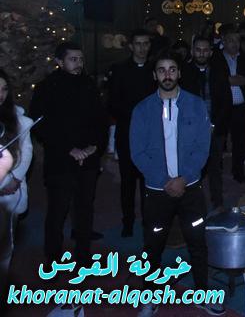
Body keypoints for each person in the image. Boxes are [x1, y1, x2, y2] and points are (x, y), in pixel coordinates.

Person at [130, 53, 223, 317]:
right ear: (154, 75)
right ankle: (149, 298)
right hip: (157, 192)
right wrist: (164, 181)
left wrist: (184, 178)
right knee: (152, 246)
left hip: (190, 189)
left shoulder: (196, 105)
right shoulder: (142, 110)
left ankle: (202, 293)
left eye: (172, 69)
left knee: (197, 243)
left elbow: (202, 147)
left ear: (179, 73)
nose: (167, 75)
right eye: (162, 70)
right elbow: (138, 152)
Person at [30, 42, 106, 267]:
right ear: (59, 61)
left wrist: (94, 147)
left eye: (81, 59)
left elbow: (100, 120)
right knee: (57, 211)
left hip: (88, 159)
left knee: (85, 209)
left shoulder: (89, 85)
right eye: (73, 59)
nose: (78, 64)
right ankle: (53, 259)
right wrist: (68, 150)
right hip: (60, 160)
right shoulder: (46, 87)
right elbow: (41, 125)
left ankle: (83, 257)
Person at [106, 29, 156, 236]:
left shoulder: (155, 69)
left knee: (148, 181)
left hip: (151, 136)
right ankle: (127, 221)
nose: (142, 48)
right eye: (138, 44)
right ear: (131, 46)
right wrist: (136, 115)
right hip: (127, 133)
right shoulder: (119, 70)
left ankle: (148, 220)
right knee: (127, 181)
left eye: (145, 43)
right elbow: (112, 103)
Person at [179, 36, 231, 210]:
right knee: (193, 169)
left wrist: (214, 125)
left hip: (215, 129)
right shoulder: (184, 72)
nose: (201, 53)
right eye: (198, 50)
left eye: (205, 50)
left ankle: (218, 203)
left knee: (215, 167)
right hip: (191, 131)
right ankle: (193, 206)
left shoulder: (218, 71)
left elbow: (226, 101)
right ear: (192, 51)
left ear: (210, 52)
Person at [0, 69, 33, 292]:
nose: (1, 94)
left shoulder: (19, 121)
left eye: (4, 89)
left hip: (10, 193)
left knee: (4, 248)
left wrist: (15, 178)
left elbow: (26, 151)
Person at [214, 27, 245, 184]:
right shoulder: (217, 58)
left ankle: (238, 171)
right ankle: (216, 170)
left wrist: (230, 80)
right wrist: (233, 80)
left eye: (237, 40)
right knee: (219, 141)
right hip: (222, 107)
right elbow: (219, 81)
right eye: (231, 40)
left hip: (240, 107)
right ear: (224, 41)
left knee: (240, 142)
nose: (235, 44)